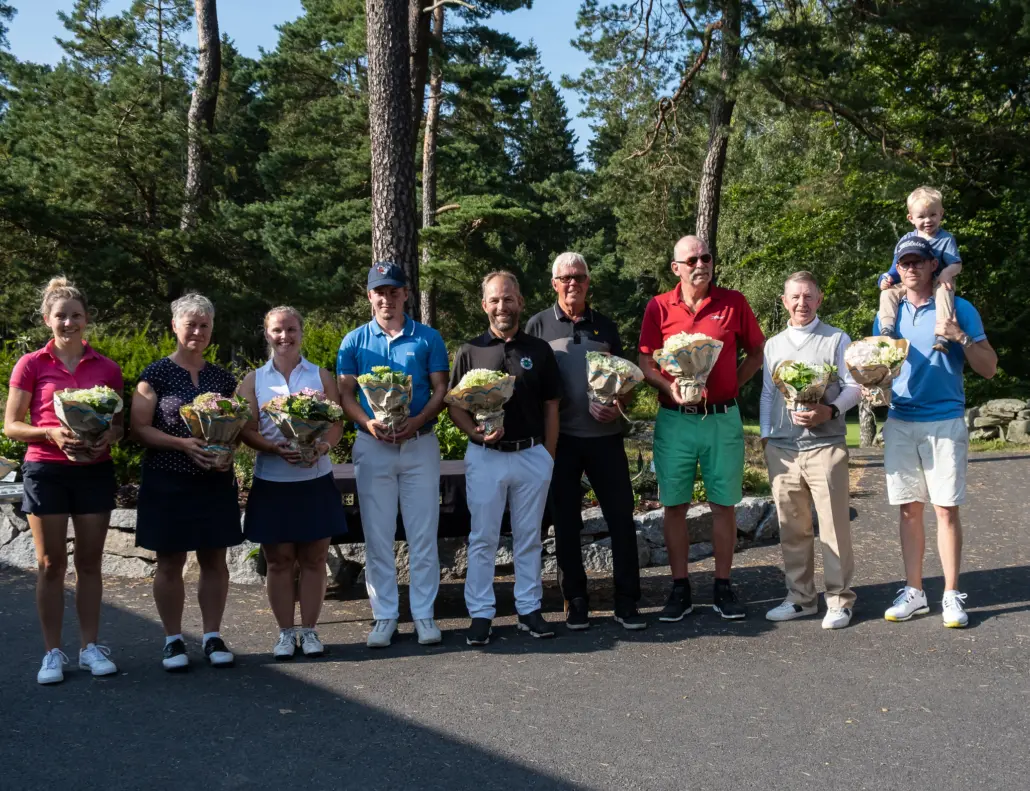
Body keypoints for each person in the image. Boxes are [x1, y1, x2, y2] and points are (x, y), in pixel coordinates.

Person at [637, 235, 765, 621]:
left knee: (724, 505)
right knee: (674, 505)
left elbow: (757, 352)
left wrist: (731, 386)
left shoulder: (733, 302)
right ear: (675, 267)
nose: (700, 264)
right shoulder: (659, 306)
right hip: (675, 420)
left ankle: (723, 586)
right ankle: (680, 589)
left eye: (705, 257)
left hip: (721, 418)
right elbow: (645, 363)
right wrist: (668, 387)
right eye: (691, 259)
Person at [4, 278, 124, 685]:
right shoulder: (30, 364)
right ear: (47, 320)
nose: (68, 322)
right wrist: (50, 433)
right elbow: (11, 426)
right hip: (46, 470)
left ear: (86, 319)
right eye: (61, 316)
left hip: (94, 470)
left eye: (76, 315)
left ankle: (90, 648)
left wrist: (110, 436)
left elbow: (119, 425)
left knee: (89, 563)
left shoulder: (107, 368)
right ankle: (51, 653)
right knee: (50, 564)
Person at [873, 237, 997, 628]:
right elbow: (880, 369)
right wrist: (871, 382)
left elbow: (989, 367)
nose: (911, 268)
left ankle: (950, 594)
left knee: (945, 509)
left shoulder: (958, 307)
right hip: (900, 420)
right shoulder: (888, 314)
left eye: (917, 261)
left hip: (944, 420)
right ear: (898, 268)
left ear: (932, 265)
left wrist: (960, 336)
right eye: (904, 263)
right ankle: (914, 592)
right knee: (909, 509)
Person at [526, 252, 645, 631]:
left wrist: (618, 405)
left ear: (588, 281)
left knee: (621, 519)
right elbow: (530, 383)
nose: (572, 283)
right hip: (560, 442)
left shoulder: (606, 327)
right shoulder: (538, 326)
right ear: (554, 284)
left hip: (605, 439)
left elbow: (629, 381)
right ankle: (575, 600)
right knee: (565, 523)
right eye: (565, 278)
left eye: (579, 276)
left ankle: (627, 600)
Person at [337, 263, 450, 649]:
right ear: (370, 296)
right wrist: (368, 423)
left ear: (406, 294)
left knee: (423, 535)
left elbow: (440, 389)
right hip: (373, 446)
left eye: (394, 291)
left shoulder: (428, 337)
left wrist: (418, 420)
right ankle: (385, 615)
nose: (387, 299)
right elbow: (345, 394)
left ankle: (423, 615)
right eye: (380, 292)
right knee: (377, 535)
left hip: (419, 444)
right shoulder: (354, 341)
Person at [130, 293, 242, 671]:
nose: (197, 331)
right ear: (175, 326)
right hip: (168, 480)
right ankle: (173, 640)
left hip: (213, 481)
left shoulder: (222, 378)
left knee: (215, 560)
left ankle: (212, 636)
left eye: (204, 325)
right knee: (169, 561)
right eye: (190, 324)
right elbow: (139, 428)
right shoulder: (155, 374)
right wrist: (182, 444)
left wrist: (228, 451)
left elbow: (237, 426)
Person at [450, 271, 562, 646]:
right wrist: (473, 432)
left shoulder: (539, 351)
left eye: (508, 299)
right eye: (495, 300)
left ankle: (529, 609)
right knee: (483, 538)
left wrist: (548, 455)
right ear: (485, 305)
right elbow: (454, 405)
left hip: (531, 454)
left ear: (520, 302)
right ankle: (481, 614)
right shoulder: (470, 351)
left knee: (529, 538)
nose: (502, 306)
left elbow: (552, 405)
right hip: (486, 457)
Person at [239, 307, 347, 660]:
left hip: (315, 479)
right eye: (277, 330)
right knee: (279, 561)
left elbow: (336, 423)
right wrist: (273, 447)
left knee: (315, 559)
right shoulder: (254, 380)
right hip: (272, 481)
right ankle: (286, 633)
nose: (284, 336)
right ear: (266, 334)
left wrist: (323, 447)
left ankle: (310, 631)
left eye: (291, 329)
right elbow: (246, 429)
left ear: (301, 332)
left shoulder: (320, 375)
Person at [759, 272, 862, 630]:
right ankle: (801, 599)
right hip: (783, 450)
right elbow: (768, 394)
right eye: (795, 297)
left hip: (825, 447)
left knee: (834, 528)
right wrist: (766, 437)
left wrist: (829, 411)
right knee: (792, 529)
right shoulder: (773, 345)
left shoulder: (837, 339)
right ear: (784, 301)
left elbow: (854, 387)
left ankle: (839, 600)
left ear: (819, 299)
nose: (801, 303)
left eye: (808, 296)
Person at [878, 186, 963, 353]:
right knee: (888, 293)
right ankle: (887, 329)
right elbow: (896, 267)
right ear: (911, 218)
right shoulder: (906, 239)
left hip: (938, 281)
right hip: (911, 283)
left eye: (933, 215)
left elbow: (957, 264)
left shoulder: (945, 239)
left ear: (941, 214)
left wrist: (947, 273)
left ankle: (942, 334)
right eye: (921, 216)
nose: (928, 220)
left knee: (944, 292)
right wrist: (886, 278)